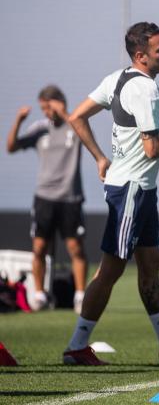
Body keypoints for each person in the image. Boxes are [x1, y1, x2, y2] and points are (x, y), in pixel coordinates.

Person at [62, 22, 159, 365]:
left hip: (140, 188)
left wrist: (101, 157)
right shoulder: (145, 89)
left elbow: (77, 116)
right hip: (130, 190)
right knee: (111, 271)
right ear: (141, 56)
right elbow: (151, 148)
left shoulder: (117, 78)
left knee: (150, 265)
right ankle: (76, 346)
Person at [6, 86, 88, 313]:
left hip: (71, 198)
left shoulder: (74, 124)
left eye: (48, 107)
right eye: (43, 108)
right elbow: (11, 147)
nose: (46, 112)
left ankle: (80, 296)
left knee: (75, 248)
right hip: (44, 198)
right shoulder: (40, 129)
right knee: (39, 247)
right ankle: (39, 295)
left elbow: (84, 135)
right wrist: (19, 121)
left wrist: (63, 113)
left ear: (59, 103)